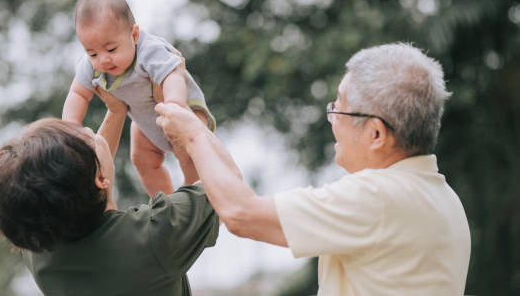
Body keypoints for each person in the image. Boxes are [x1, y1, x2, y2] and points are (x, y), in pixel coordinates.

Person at [155, 42, 471, 296]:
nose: (332, 118)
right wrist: (199, 135)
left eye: (339, 108)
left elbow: (241, 214)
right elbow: (238, 199)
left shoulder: (377, 197)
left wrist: (194, 135)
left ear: (376, 134)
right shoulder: (442, 198)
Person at [0, 88, 220, 296]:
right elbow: (220, 187)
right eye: (84, 136)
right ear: (99, 179)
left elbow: (85, 177)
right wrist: (191, 133)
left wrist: (116, 111)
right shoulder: (154, 235)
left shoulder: (39, 247)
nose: (89, 129)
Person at [62, 0, 215, 196]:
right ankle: (166, 201)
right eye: (92, 53)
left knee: (188, 152)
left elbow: (173, 75)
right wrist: (70, 129)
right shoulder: (90, 66)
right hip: (144, 120)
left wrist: (174, 107)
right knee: (141, 159)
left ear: (134, 35)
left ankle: (195, 194)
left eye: (112, 49)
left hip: (182, 108)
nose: (103, 60)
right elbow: (78, 94)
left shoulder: (149, 50)